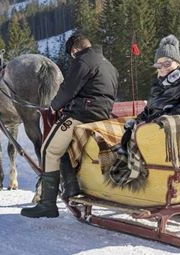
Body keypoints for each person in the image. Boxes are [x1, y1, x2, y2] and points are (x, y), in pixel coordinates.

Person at [21, 34, 119, 218]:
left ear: (74, 50)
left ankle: (47, 204)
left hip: (81, 115)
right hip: (101, 116)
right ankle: (71, 187)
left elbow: (68, 89)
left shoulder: (83, 61)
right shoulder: (109, 64)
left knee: (49, 149)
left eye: (72, 54)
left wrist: (52, 106)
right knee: (62, 147)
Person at [120, 34, 180, 150]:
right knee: (119, 154)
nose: (163, 67)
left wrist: (165, 115)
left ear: (177, 63)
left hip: (171, 139)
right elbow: (149, 111)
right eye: (159, 64)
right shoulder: (160, 84)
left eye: (167, 63)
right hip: (153, 133)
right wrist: (134, 124)